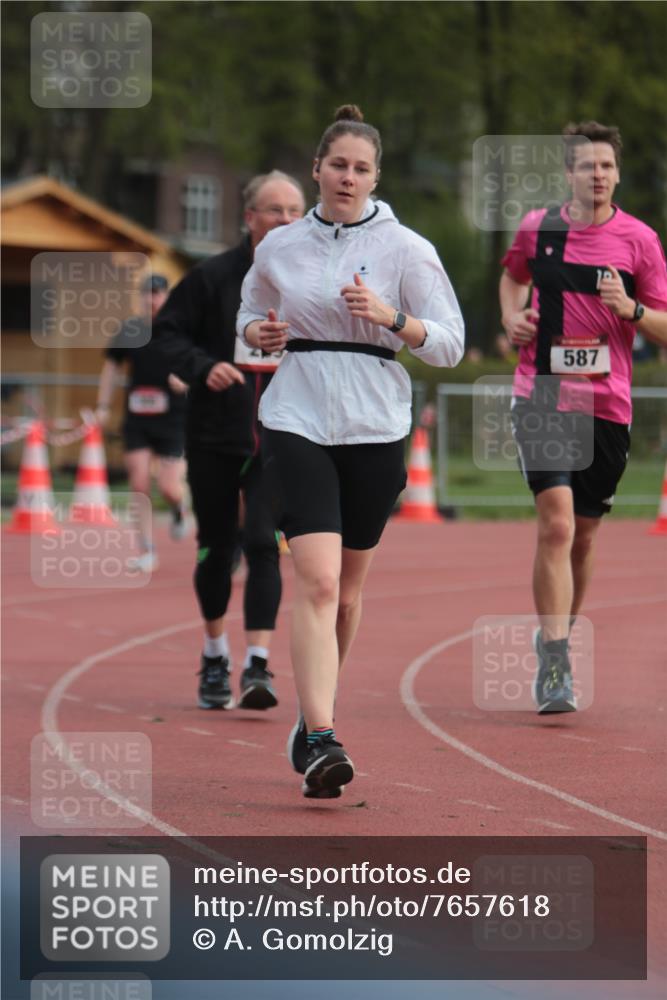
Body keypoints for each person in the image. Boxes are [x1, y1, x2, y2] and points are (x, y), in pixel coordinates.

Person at [238, 104, 465, 799]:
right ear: (316, 169)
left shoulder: (408, 249)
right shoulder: (280, 245)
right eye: (337, 164)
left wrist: (393, 318)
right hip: (297, 414)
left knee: (349, 593)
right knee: (319, 581)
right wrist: (260, 336)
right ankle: (323, 734)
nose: (347, 176)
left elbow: (451, 343)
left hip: (374, 423)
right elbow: (248, 316)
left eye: (360, 167)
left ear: (375, 177)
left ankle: (310, 725)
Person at [499, 120, 667, 714]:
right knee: (559, 525)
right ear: (568, 173)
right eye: (585, 166)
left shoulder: (640, 241)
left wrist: (633, 308)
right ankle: (555, 658)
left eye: (605, 166)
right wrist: (511, 319)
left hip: (607, 403)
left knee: (585, 533)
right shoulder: (537, 228)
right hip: (541, 394)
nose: (596, 175)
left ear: (616, 174)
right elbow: (512, 276)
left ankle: (560, 636)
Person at [151, 170, 305, 712]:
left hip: (281, 435)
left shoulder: (310, 278)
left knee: (264, 542)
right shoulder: (212, 277)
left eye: (294, 210)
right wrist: (204, 366)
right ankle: (215, 653)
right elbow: (166, 333)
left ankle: (257, 666)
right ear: (249, 217)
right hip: (217, 433)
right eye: (273, 210)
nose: (286, 220)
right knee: (217, 549)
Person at [96, 273, 189, 573]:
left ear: (166, 297)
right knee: (138, 484)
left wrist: (186, 379)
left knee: (169, 487)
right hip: (137, 418)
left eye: (157, 294)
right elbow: (111, 369)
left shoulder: (181, 328)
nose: (151, 300)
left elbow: (200, 362)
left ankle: (179, 509)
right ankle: (146, 550)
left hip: (174, 419)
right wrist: (102, 406)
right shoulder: (129, 330)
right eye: (146, 295)